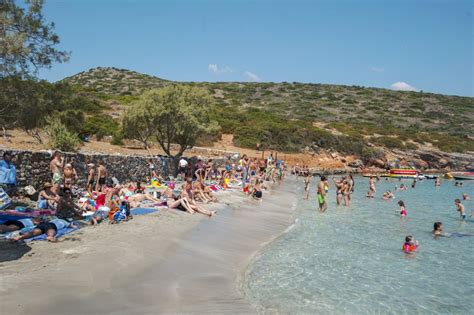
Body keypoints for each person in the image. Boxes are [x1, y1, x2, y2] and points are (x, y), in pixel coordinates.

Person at [13, 218, 78, 242]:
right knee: (51, 232)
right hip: (51, 225)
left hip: (44, 224)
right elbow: (73, 226)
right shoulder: (64, 221)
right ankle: (50, 237)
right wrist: (76, 226)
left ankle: (20, 237)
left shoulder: (55, 219)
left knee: (33, 232)